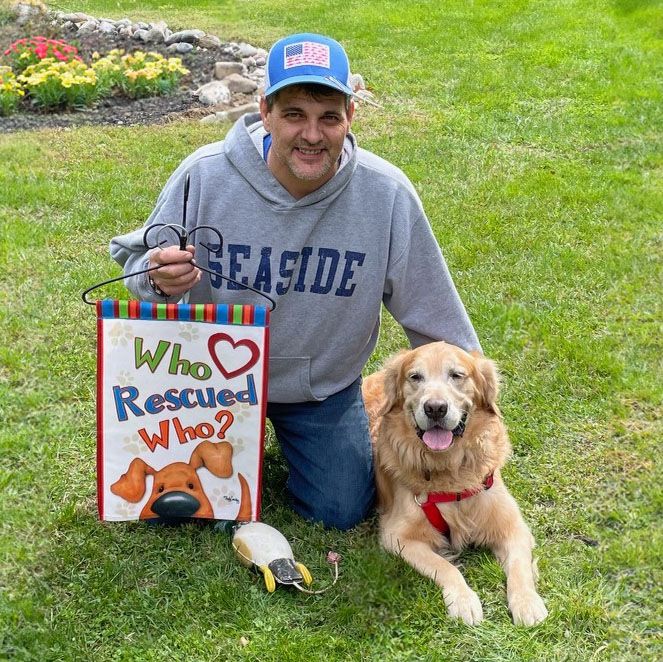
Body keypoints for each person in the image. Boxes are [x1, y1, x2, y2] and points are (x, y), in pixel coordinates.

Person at [110, 33, 481, 530]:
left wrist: (470, 417)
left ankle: (308, 438)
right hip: (205, 387)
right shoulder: (205, 175)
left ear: (351, 116)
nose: (312, 134)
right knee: (178, 512)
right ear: (264, 112)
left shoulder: (386, 195)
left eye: (329, 116)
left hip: (318, 391)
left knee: (342, 509)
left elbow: (435, 313)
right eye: (293, 115)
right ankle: (235, 449)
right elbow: (134, 262)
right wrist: (158, 278)